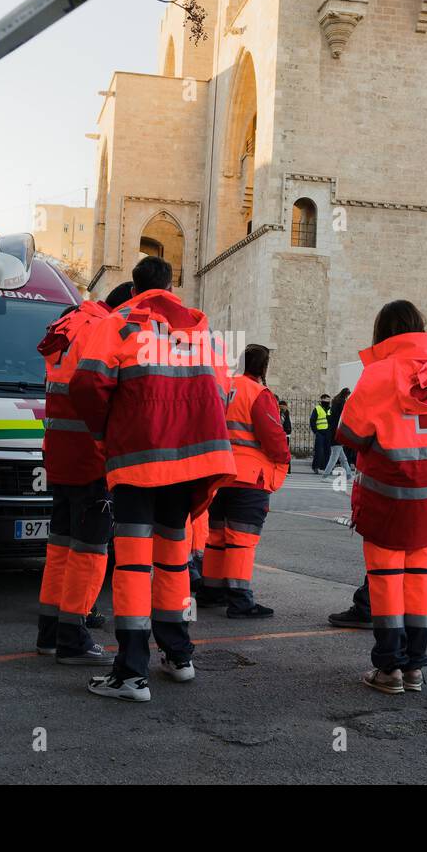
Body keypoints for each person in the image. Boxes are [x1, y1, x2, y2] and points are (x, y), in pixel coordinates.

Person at [70, 256, 235, 702]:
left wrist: (108, 431)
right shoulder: (198, 329)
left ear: (134, 285)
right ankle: (179, 656)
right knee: (173, 560)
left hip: (139, 461)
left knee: (133, 565)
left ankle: (130, 673)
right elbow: (224, 390)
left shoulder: (121, 322)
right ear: (171, 284)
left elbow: (86, 384)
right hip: (190, 464)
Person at [334, 300, 427, 694]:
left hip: (386, 500)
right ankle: (415, 669)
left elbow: (350, 434)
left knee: (386, 581)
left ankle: (388, 668)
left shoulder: (378, 374)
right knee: (420, 585)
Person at [33, 281, 134, 665]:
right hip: (91, 457)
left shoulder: (70, 321)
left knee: (60, 546)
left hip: (59, 454)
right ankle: (73, 638)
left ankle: (50, 632)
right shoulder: (106, 327)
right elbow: (96, 388)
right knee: (91, 550)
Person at [198, 344, 290, 618]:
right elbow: (273, 436)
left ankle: (211, 590)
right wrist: (284, 458)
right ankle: (240, 601)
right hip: (249, 477)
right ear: (263, 367)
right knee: (241, 540)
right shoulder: (259, 393)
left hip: (218, 473)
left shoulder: (224, 386)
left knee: (216, 536)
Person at [320, 388, 352, 478]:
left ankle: (349, 475)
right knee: (334, 457)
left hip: (333, 433)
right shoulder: (341, 404)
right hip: (336, 434)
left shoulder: (335, 404)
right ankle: (325, 476)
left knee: (343, 458)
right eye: (347, 395)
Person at [310, 394, 332, 473]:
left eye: (329, 400)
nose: (328, 401)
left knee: (327, 451)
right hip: (320, 433)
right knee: (319, 450)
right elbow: (312, 421)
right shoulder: (317, 409)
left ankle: (325, 467)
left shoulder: (330, 409)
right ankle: (316, 467)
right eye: (326, 400)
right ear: (322, 400)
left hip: (328, 433)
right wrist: (315, 431)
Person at [278, 399, 293, 473]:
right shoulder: (281, 413)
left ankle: (287, 469)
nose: (283, 408)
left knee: (285, 452)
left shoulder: (286, 413)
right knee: (284, 452)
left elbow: (289, 424)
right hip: (283, 435)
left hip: (285, 435)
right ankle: (286, 469)